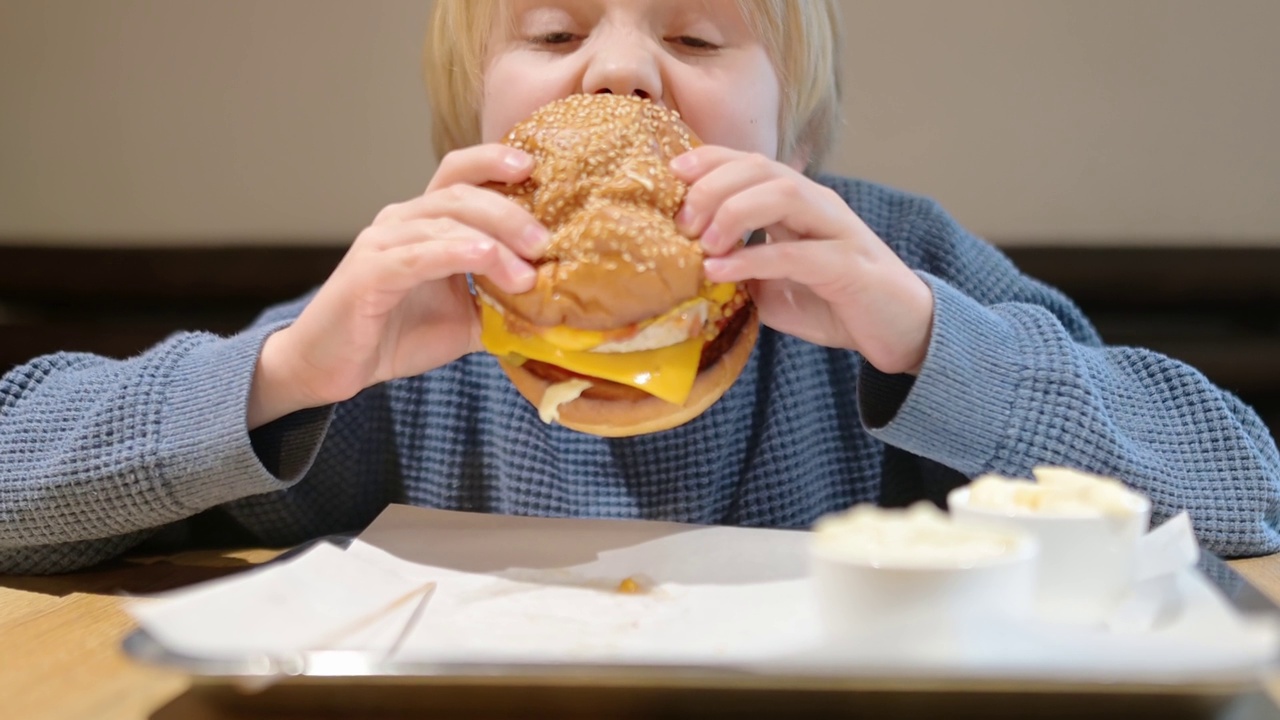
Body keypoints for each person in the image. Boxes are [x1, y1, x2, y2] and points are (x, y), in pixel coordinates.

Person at [1, 0, 1277, 575]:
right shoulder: (414, 306)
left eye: (697, 35)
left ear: (795, 133)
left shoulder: (891, 261)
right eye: (553, 35)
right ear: (469, 115)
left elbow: (1240, 486)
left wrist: (927, 343)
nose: (619, 71)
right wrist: (283, 379)